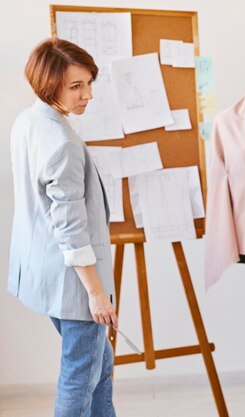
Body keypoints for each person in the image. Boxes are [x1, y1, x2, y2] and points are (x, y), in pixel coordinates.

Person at [8, 38, 118, 416]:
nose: (88, 95)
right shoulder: (61, 141)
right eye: (76, 86)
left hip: (45, 272)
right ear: (49, 83)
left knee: (99, 366)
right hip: (75, 282)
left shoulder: (29, 121)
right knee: (80, 377)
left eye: (89, 83)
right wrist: (97, 294)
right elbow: (70, 226)